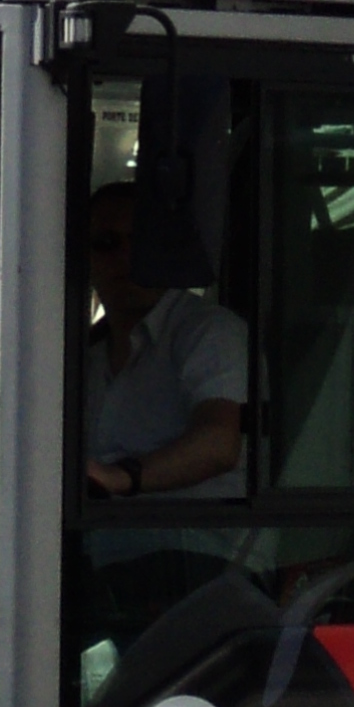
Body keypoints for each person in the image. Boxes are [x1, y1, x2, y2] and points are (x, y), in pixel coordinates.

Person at [83, 185, 250, 500]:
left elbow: (219, 444)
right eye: (106, 242)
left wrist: (119, 478)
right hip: (101, 542)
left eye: (141, 241)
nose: (125, 255)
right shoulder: (83, 355)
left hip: (191, 543)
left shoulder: (209, 331)